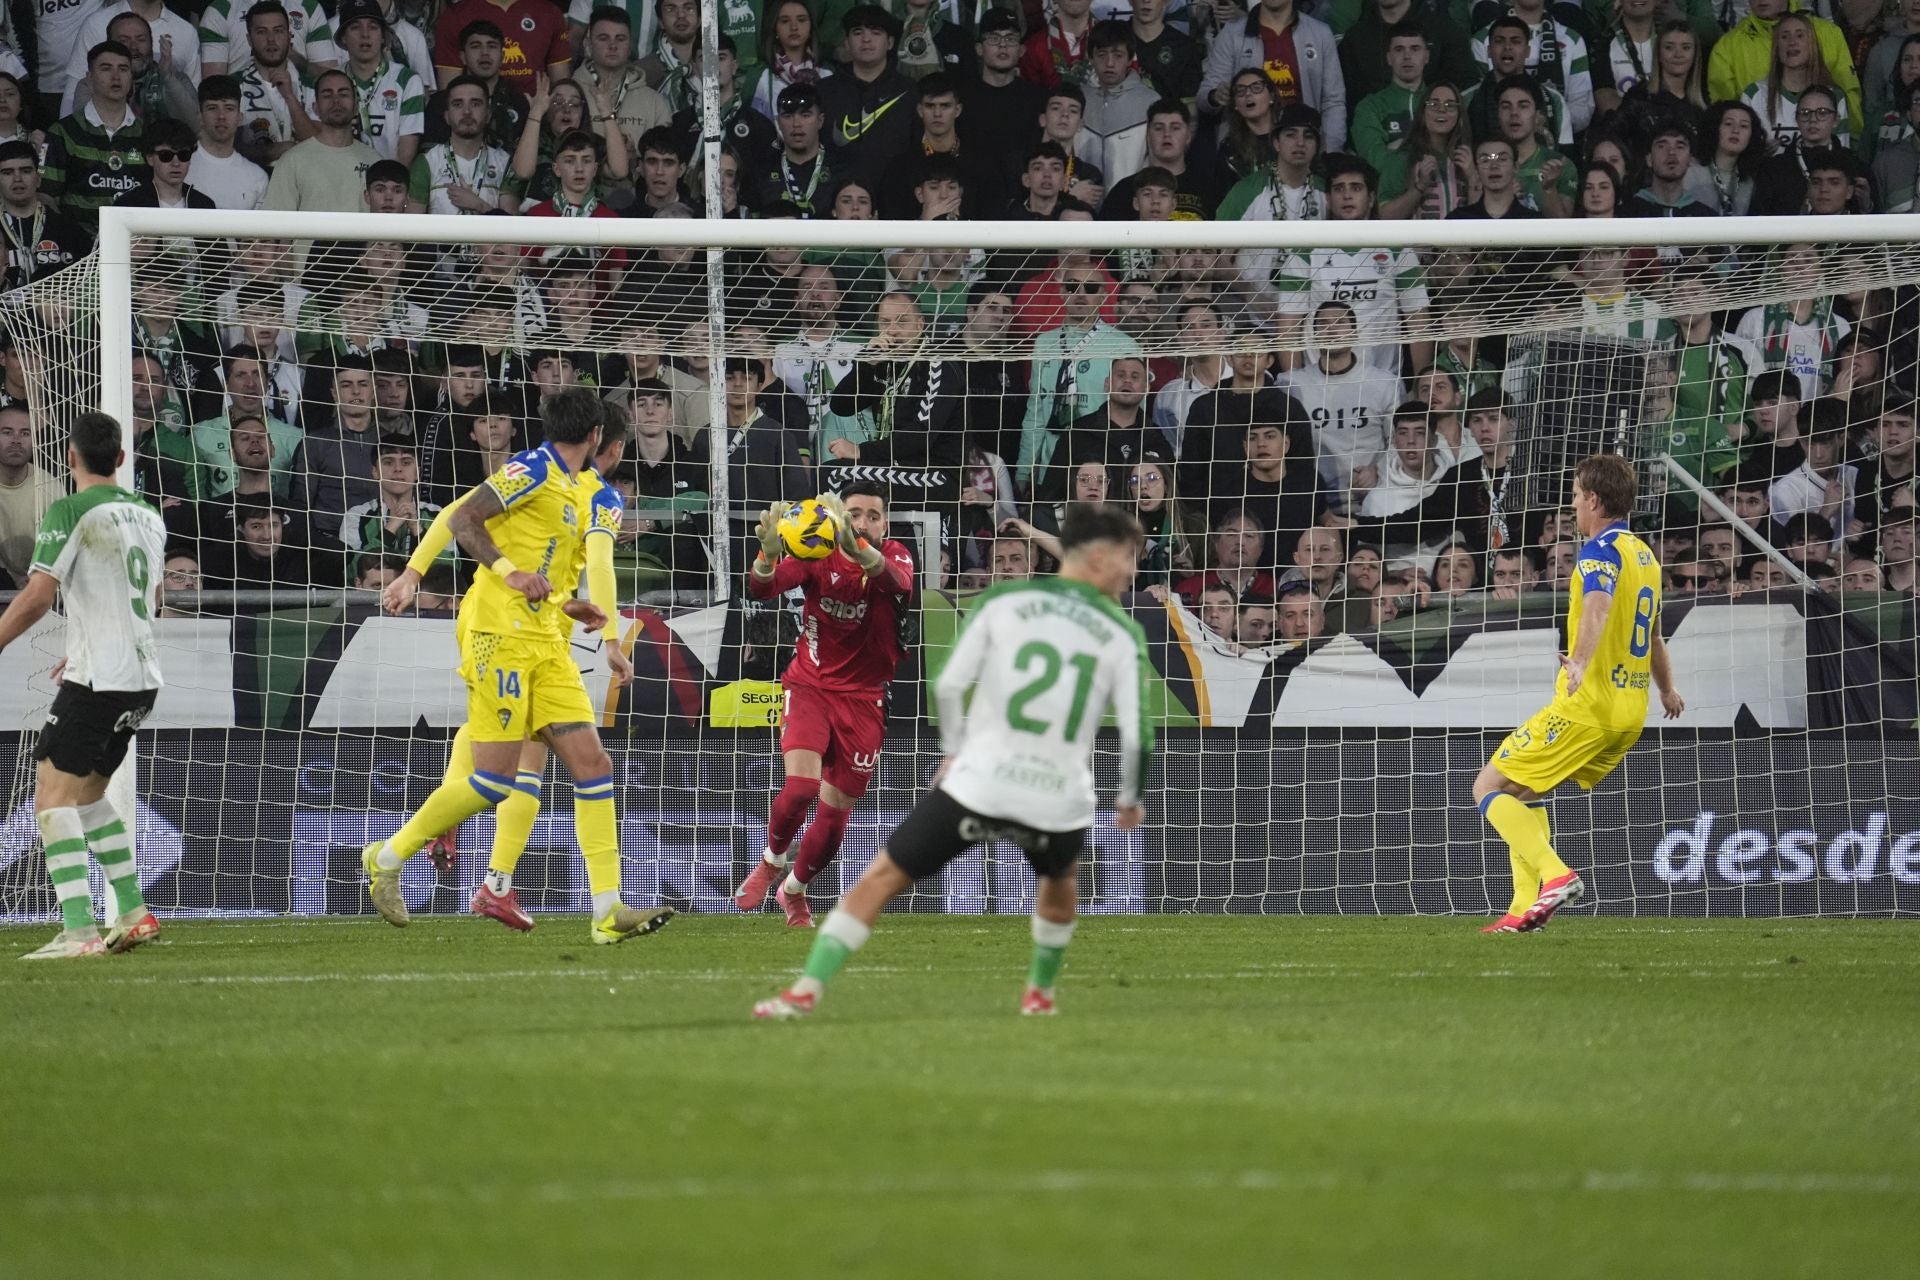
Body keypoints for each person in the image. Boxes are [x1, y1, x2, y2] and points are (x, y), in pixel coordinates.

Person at [753, 503, 1150, 1020]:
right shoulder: (1122, 632)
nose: (1132, 571)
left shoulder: (1006, 601)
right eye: (1128, 558)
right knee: (1059, 886)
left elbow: (949, 683)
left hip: (980, 780)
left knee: (880, 880)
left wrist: (954, 751)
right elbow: (1139, 731)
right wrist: (1130, 796)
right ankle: (1039, 995)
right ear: (1099, 557)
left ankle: (804, 991)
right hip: (1058, 794)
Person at [362, 386, 672, 944]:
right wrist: (417, 571)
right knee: (493, 781)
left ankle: (607, 910)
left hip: (548, 640)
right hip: (496, 634)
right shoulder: (529, 470)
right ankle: (386, 857)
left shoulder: (594, 493)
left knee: (592, 765)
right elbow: (463, 519)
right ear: (599, 436)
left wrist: (596, 625)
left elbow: (589, 567)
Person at [1473, 453, 1684, 934]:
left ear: (1593, 498)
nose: (1572, 506)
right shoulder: (1645, 556)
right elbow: (1651, 634)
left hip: (1588, 704)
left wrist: (1582, 661)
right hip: (1630, 712)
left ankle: (1556, 876)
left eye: (1573, 496)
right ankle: (1522, 908)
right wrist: (1668, 690)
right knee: (1523, 791)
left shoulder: (1599, 551)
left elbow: (1597, 607)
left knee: (1486, 787)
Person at [4, 412, 168, 959]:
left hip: (100, 679)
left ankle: (78, 933)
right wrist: (84, 640)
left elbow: (36, 595)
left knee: (51, 796)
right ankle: (133, 912)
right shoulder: (147, 514)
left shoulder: (70, 510)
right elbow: (150, 598)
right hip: (141, 676)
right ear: (121, 459)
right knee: (90, 793)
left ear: (70, 458)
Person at [734, 483, 916, 927]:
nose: (864, 522)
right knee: (799, 788)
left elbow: (898, 582)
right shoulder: (817, 553)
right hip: (810, 685)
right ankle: (771, 862)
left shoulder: (896, 554)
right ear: (839, 516)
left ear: (885, 524)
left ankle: (793, 891)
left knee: (835, 818)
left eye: (874, 515)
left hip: (865, 698)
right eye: (855, 513)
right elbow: (763, 590)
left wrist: (861, 551)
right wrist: (767, 553)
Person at [1198, 0, 1348, 152]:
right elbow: (1204, 97)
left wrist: (1331, 152)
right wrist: (1215, 96)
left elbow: (1333, 101)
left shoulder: (1320, 33)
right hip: (1248, 150)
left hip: (1305, 148)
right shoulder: (1231, 35)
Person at [43, 41, 149, 232]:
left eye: (123, 69)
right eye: (106, 68)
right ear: (89, 78)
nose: (116, 76)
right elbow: (46, 196)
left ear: (132, 78)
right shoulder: (63, 132)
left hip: (137, 247)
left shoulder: (148, 134)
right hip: (79, 250)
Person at [262, 67, 383, 212]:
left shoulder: (374, 160)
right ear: (315, 108)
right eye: (327, 95)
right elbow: (276, 225)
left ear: (356, 107)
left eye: (343, 94)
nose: (336, 101)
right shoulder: (292, 161)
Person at [189, 75, 271, 209]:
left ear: (240, 117)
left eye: (229, 108)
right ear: (200, 116)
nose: (221, 116)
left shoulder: (257, 177)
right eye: (212, 108)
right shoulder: (179, 166)